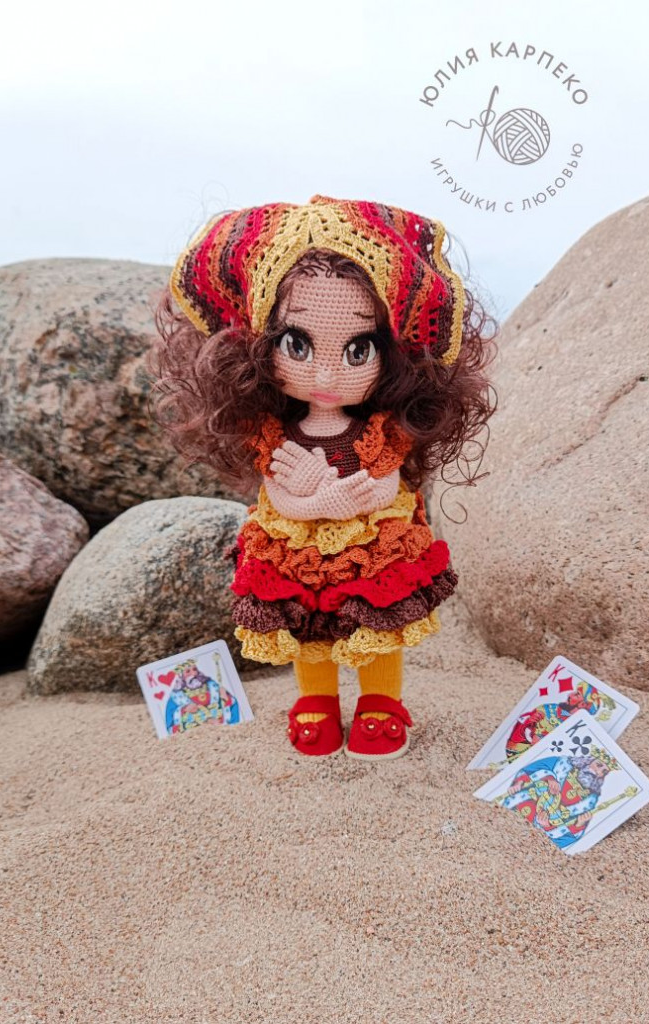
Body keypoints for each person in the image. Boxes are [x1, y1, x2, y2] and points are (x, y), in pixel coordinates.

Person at [149, 195, 497, 760]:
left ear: (393, 354)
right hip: (294, 550)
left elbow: (385, 486)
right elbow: (279, 494)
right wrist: (319, 501)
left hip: (373, 549)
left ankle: (380, 703)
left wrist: (330, 490)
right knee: (305, 627)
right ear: (256, 347)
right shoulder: (275, 433)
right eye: (297, 345)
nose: (328, 375)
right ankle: (317, 702)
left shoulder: (380, 431)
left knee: (379, 622)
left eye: (359, 349)